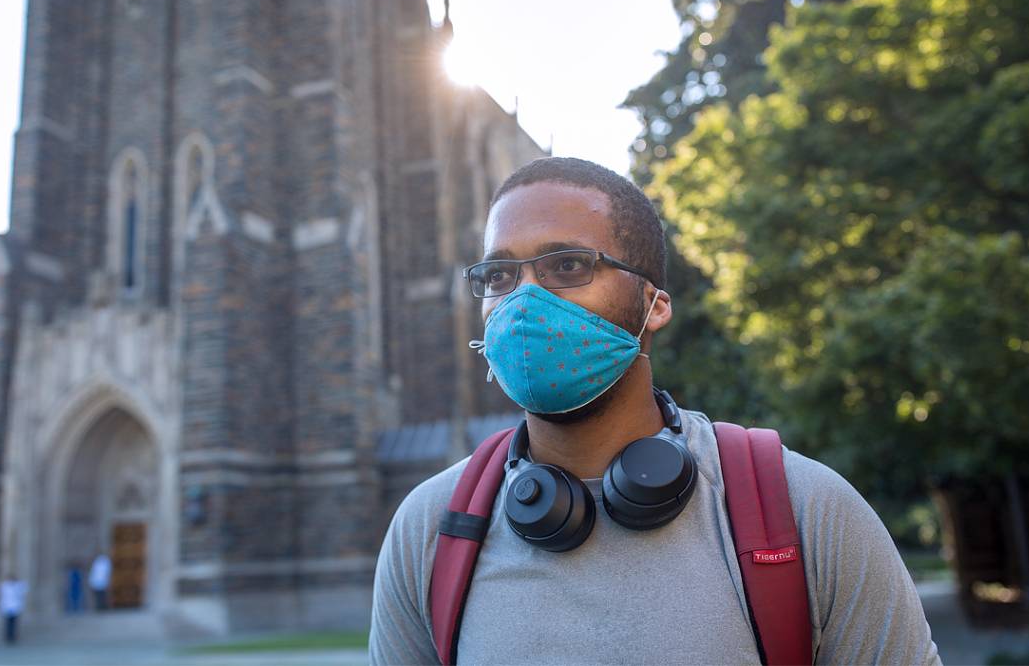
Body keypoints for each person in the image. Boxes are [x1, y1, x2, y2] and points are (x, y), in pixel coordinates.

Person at [369, 157, 942, 665]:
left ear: (656, 304)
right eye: (500, 275)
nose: (523, 300)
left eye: (567, 266)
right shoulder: (430, 528)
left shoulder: (805, 512)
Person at [0, 574, 27, 645]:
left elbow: (24, 589)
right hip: (7, 607)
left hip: (14, 607)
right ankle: (9, 636)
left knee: (13, 623)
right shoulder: (5, 586)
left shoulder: (17, 586)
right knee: (8, 623)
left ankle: (12, 636)